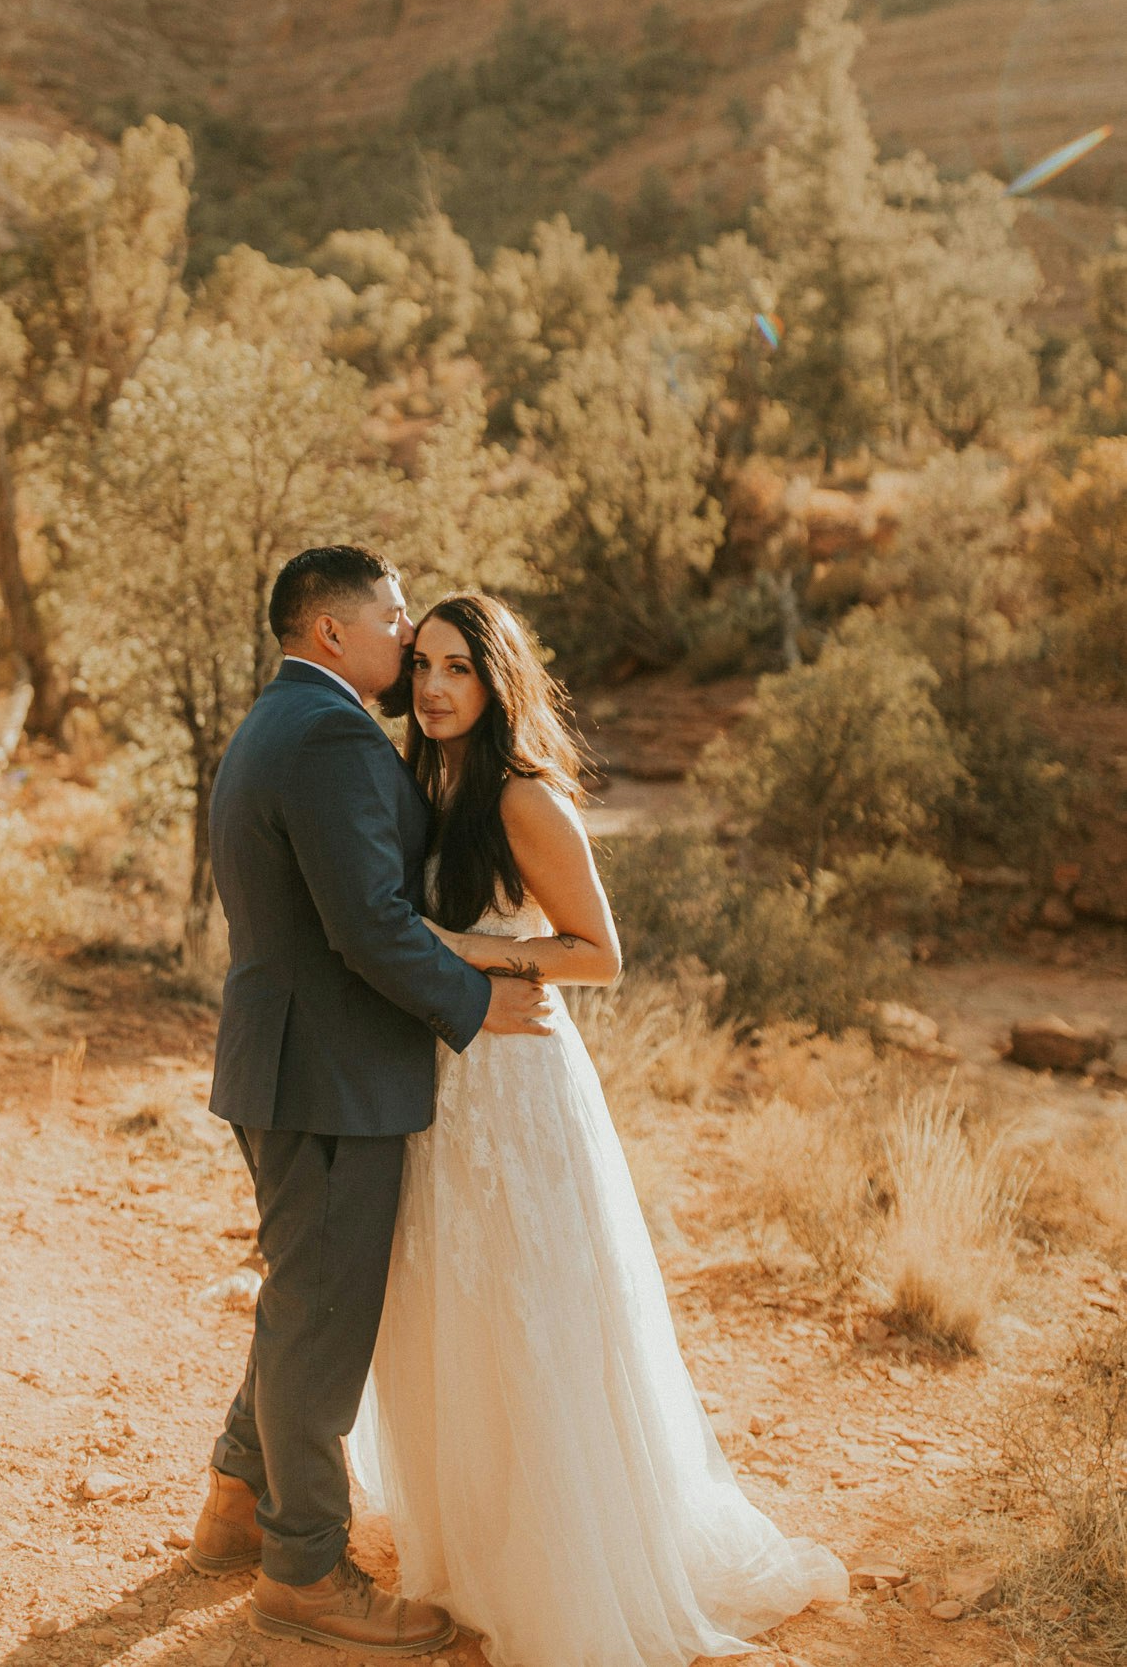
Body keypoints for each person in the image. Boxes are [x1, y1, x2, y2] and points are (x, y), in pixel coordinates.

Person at [350, 592, 849, 1667]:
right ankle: (476, 1546)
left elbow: (599, 955)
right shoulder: (420, 779)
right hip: (439, 1080)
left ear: (497, 684)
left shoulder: (525, 799)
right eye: (423, 665)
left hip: (518, 1086)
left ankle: (562, 1566)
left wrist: (458, 948)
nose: (434, 688)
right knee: (453, 1307)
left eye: (459, 671)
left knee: (533, 1311)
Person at [190, 548, 552, 1657]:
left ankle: (236, 1507)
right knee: (320, 1315)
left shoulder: (278, 721)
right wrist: (477, 1001)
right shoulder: (337, 733)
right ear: (333, 630)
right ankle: (304, 1568)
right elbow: (368, 926)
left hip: (294, 1062)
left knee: (305, 1294)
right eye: (396, 618)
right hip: (331, 1075)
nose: (408, 639)